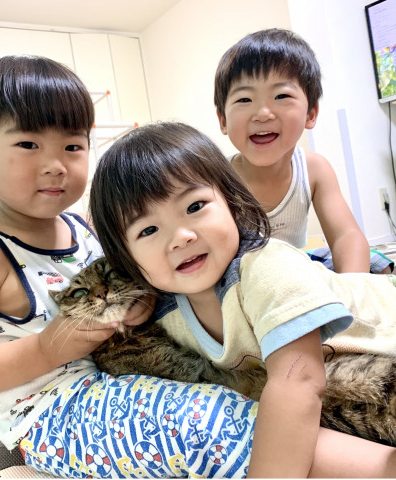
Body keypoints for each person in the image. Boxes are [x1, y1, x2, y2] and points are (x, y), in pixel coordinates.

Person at [0, 55, 264, 479]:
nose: (56, 165)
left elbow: (134, 275)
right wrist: (45, 349)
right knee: (209, 421)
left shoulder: (82, 226)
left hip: (116, 377)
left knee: (244, 392)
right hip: (50, 417)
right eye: (28, 145)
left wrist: (140, 301)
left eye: (72, 146)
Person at [89, 121, 396, 478]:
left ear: (232, 202)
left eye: (195, 206)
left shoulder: (265, 266)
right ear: (125, 258)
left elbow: (298, 382)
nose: (181, 236)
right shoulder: (166, 309)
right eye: (148, 230)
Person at [214, 28, 393, 275]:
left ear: (310, 114)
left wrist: (351, 287)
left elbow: (346, 235)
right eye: (244, 99)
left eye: (281, 96)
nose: (263, 113)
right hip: (241, 276)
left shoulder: (314, 169)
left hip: (294, 267)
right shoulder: (216, 178)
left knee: (374, 262)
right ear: (223, 120)